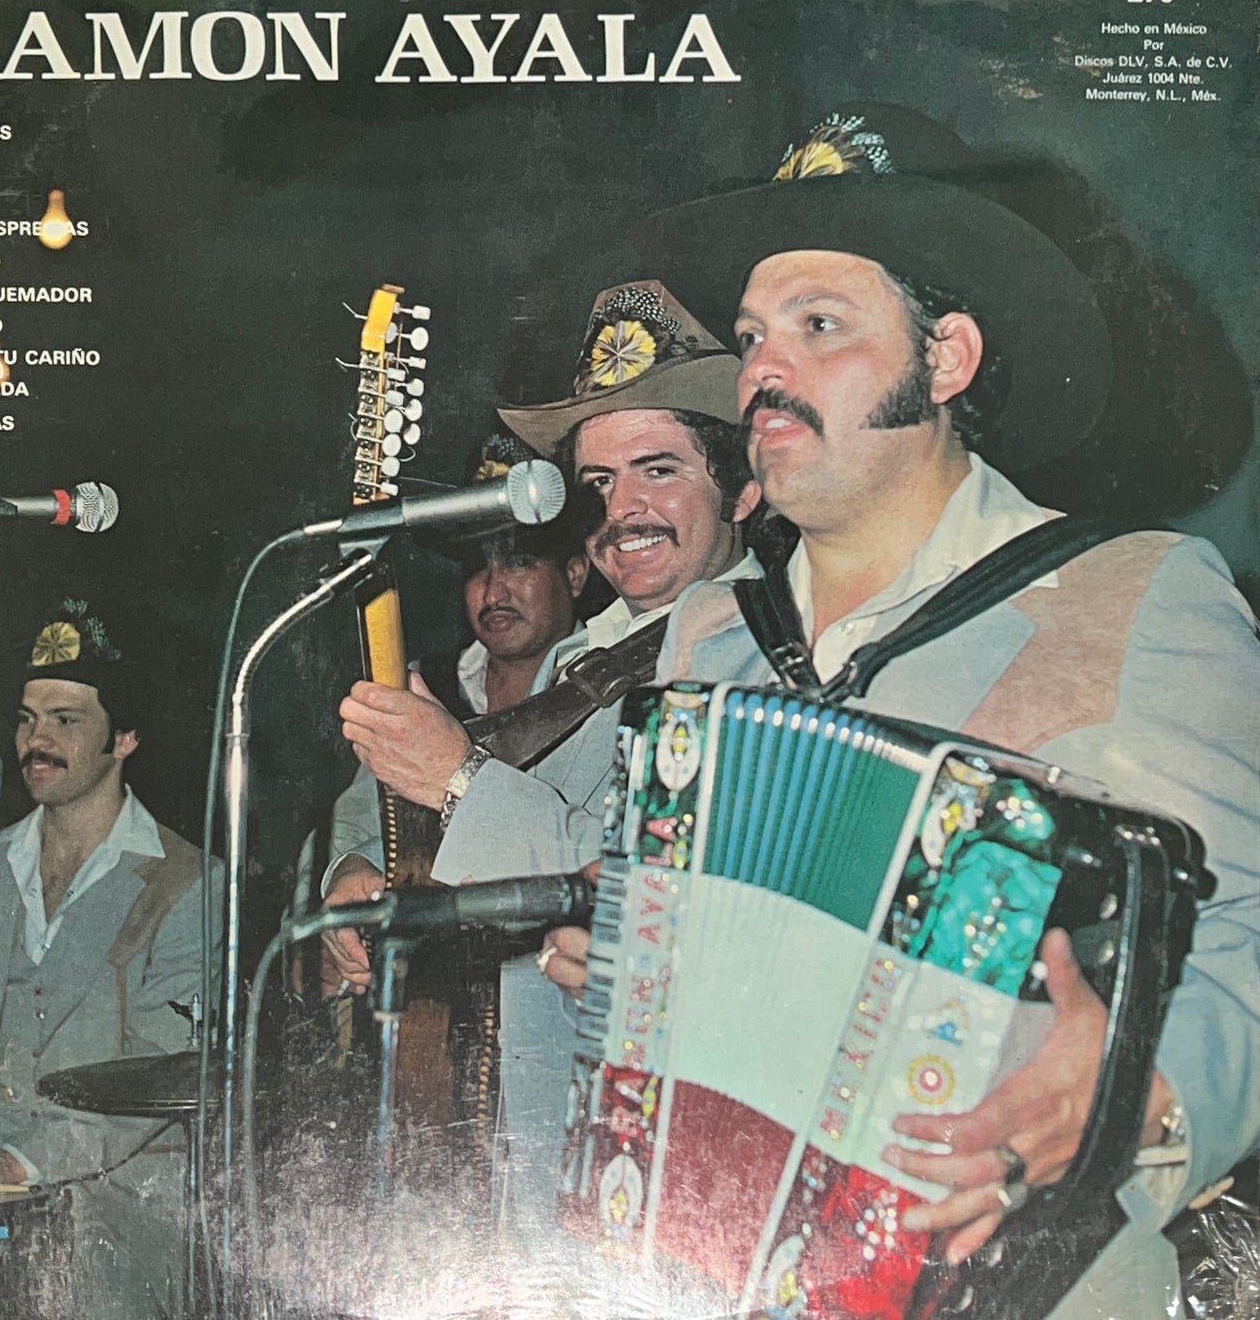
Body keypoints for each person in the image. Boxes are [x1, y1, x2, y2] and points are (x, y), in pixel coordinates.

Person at [542, 108, 1259, 1318]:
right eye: (752, 336)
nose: (760, 371)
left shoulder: (1132, 592)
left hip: (1015, 1276)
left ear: (946, 360)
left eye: (817, 325)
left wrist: (1138, 1084)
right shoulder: (715, 632)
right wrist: (623, 953)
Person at [330, 279, 763, 1250]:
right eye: (598, 482)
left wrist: (455, 779)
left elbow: (642, 892)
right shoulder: (587, 653)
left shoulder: (755, 652)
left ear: (741, 488)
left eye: (658, 469)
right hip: (514, 1128)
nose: (622, 509)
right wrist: (363, 872)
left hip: (643, 1171)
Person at [0, 598, 214, 1319]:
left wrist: (20, 1160)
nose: (37, 740)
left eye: (66, 720)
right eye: (27, 718)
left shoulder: (188, 882)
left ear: (126, 737)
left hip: (120, 1221)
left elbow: (165, 1076)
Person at [312, 429, 589, 993]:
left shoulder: (607, 686)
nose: (493, 591)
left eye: (519, 563)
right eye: (476, 569)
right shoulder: (428, 685)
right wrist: (348, 870)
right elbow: (359, 821)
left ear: (576, 574)